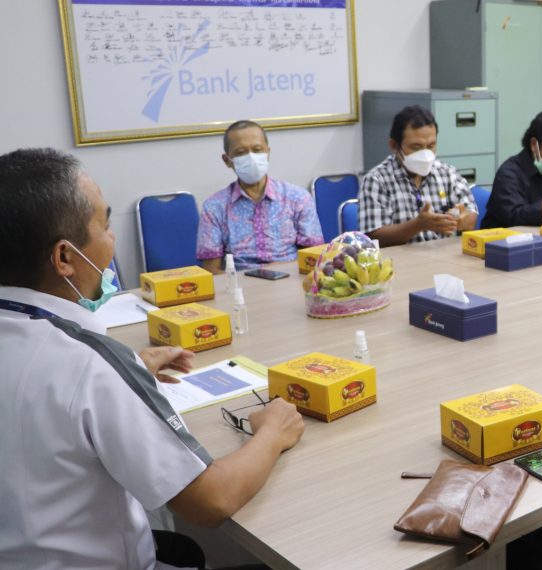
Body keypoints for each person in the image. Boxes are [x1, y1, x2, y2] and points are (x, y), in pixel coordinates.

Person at [0, 148, 305, 569]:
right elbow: (211, 501)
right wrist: (272, 431)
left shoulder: (72, 359)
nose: (112, 239)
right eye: (105, 224)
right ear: (65, 257)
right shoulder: (90, 362)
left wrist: (124, 375)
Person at [196, 120, 324, 273]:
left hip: (291, 278)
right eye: (240, 152)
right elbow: (212, 270)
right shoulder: (214, 207)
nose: (251, 157)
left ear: (267, 153)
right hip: (240, 283)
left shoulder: (298, 198)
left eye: (257, 150)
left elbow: (314, 259)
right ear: (227, 160)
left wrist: (286, 270)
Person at [358, 105, 479, 245]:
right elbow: (374, 236)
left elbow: (471, 216)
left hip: (444, 254)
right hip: (401, 257)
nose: (425, 154)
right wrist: (418, 225)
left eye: (431, 146)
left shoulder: (448, 174)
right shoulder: (376, 180)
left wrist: (463, 219)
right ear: (394, 146)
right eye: (416, 147)